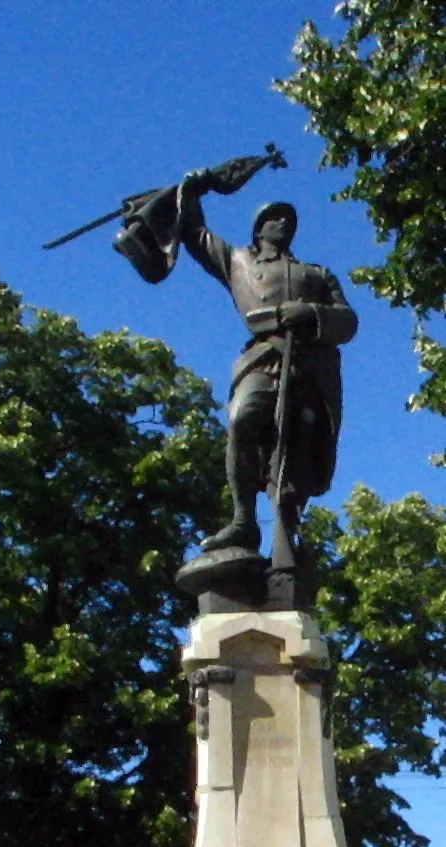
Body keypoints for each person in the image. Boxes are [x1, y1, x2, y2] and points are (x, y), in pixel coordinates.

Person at [179, 177, 358, 567]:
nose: (283, 223)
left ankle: (287, 526)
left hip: (309, 365)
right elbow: (194, 233)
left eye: (288, 218)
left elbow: (347, 321)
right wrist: (196, 188)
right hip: (263, 357)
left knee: (301, 444)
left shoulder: (317, 272)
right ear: (258, 228)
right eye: (274, 218)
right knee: (244, 419)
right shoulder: (238, 261)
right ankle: (243, 521)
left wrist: (310, 314)